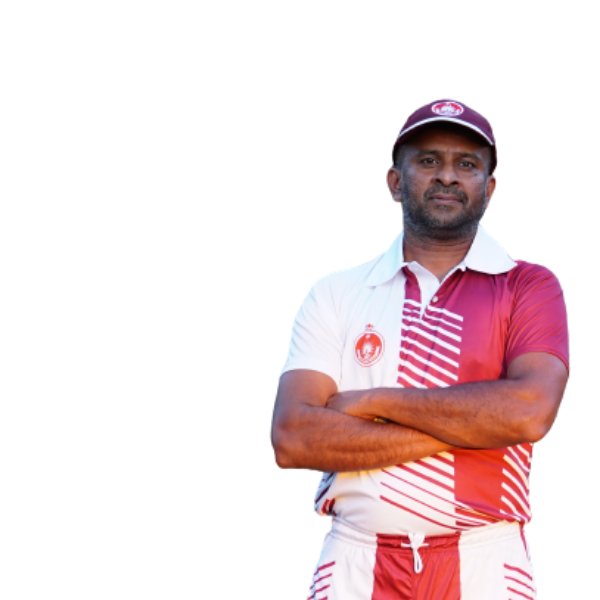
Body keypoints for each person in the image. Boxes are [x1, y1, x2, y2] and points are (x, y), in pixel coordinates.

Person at [270, 98, 570, 599]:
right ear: (394, 182)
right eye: (429, 160)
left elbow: (529, 413)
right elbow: (293, 439)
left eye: (467, 164)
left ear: (490, 189)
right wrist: (479, 423)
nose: (447, 175)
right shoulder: (335, 291)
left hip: (485, 562)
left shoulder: (528, 285)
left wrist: (372, 402)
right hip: (355, 562)